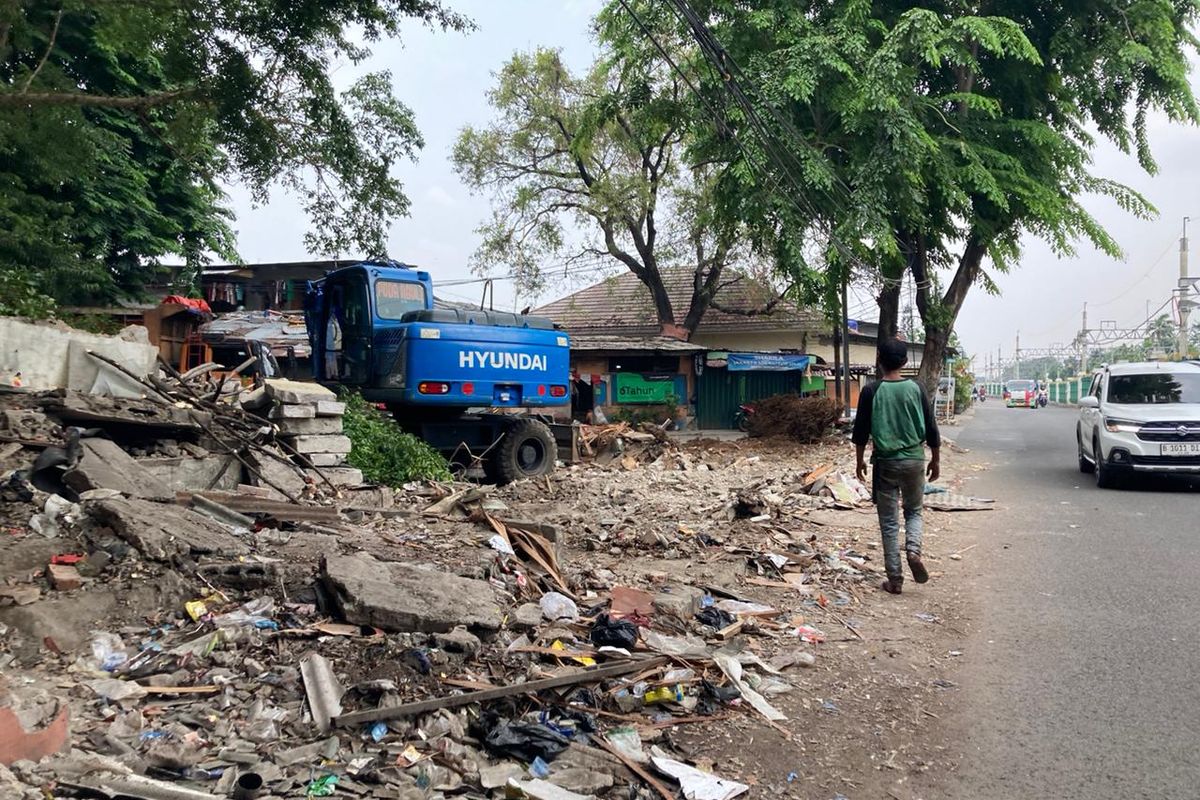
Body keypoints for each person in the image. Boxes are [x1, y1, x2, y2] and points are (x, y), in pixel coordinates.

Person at [852, 338, 940, 594]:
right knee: (914, 511)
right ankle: (913, 550)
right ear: (904, 362)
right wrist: (935, 459)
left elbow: (861, 432)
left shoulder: (871, 391)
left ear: (879, 359)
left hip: (885, 463)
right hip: (914, 460)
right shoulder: (917, 388)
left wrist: (859, 462)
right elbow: (932, 427)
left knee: (889, 523)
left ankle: (895, 579)